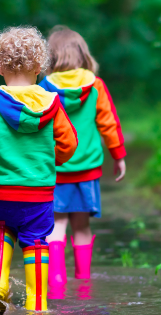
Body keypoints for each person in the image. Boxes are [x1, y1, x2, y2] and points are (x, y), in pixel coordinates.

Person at [0, 26, 78, 315]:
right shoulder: (52, 103)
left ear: (0, 66)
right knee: (36, 241)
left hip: (3, 189)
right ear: (39, 67)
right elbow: (69, 144)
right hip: (39, 190)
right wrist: (51, 161)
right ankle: (37, 303)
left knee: (3, 230)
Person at [39, 26, 127, 291]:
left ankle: (55, 282)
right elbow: (108, 122)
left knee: (57, 225)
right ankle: (84, 283)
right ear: (82, 54)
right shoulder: (96, 86)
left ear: (50, 58)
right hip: (88, 169)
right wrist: (118, 155)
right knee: (81, 226)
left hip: (56, 168)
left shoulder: (44, 88)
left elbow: (38, 127)